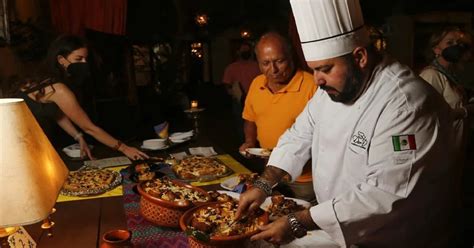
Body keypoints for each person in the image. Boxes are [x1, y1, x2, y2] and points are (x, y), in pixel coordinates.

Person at [236, 0, 459, 247]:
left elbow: (384, 194)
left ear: (360, 57)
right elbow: (298, 135)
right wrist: (263, 184)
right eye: (314, 70)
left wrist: (297, 222)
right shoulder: (331, 88)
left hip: (394, 236)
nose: (317, 81)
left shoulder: (405, 102)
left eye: (325, 69)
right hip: (340, 226)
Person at [9, 35, 148, 161]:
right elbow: (89, 128)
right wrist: (124, 148)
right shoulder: (59, 89)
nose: (84, 63)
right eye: (78, 59)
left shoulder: (42, 79)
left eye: (86, 59)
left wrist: (78, 136)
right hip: (16, 144)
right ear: (61, 60)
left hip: (22, 139)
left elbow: (56, 112)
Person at [239, 32, 317, 201]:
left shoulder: (312, 85)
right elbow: (250, 118)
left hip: (305, 178)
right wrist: (249, 142)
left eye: (279, 61)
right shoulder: (256, 83)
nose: (273, 70)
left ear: (291, 57)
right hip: (269, 171)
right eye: (265, 63)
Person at [420, 27, 473, 154]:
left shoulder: (451, 74)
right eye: (450, 43)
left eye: (458, 43)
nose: (456, 46)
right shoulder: (431, 75)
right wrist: (466, 110)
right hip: (440, 150)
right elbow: (426, 116)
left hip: (455, 147)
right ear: (436, 49)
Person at [222, 41, 261, 142]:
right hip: (239, 101)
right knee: (240, 124)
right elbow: (227, 84)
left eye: (247, 50)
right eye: (243, 50)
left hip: (256, 100)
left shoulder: (257, 66)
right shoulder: (231, 68)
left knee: (257, 123)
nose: (245, 52)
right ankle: (244, 147)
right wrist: (233, 92)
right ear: (238, 52)